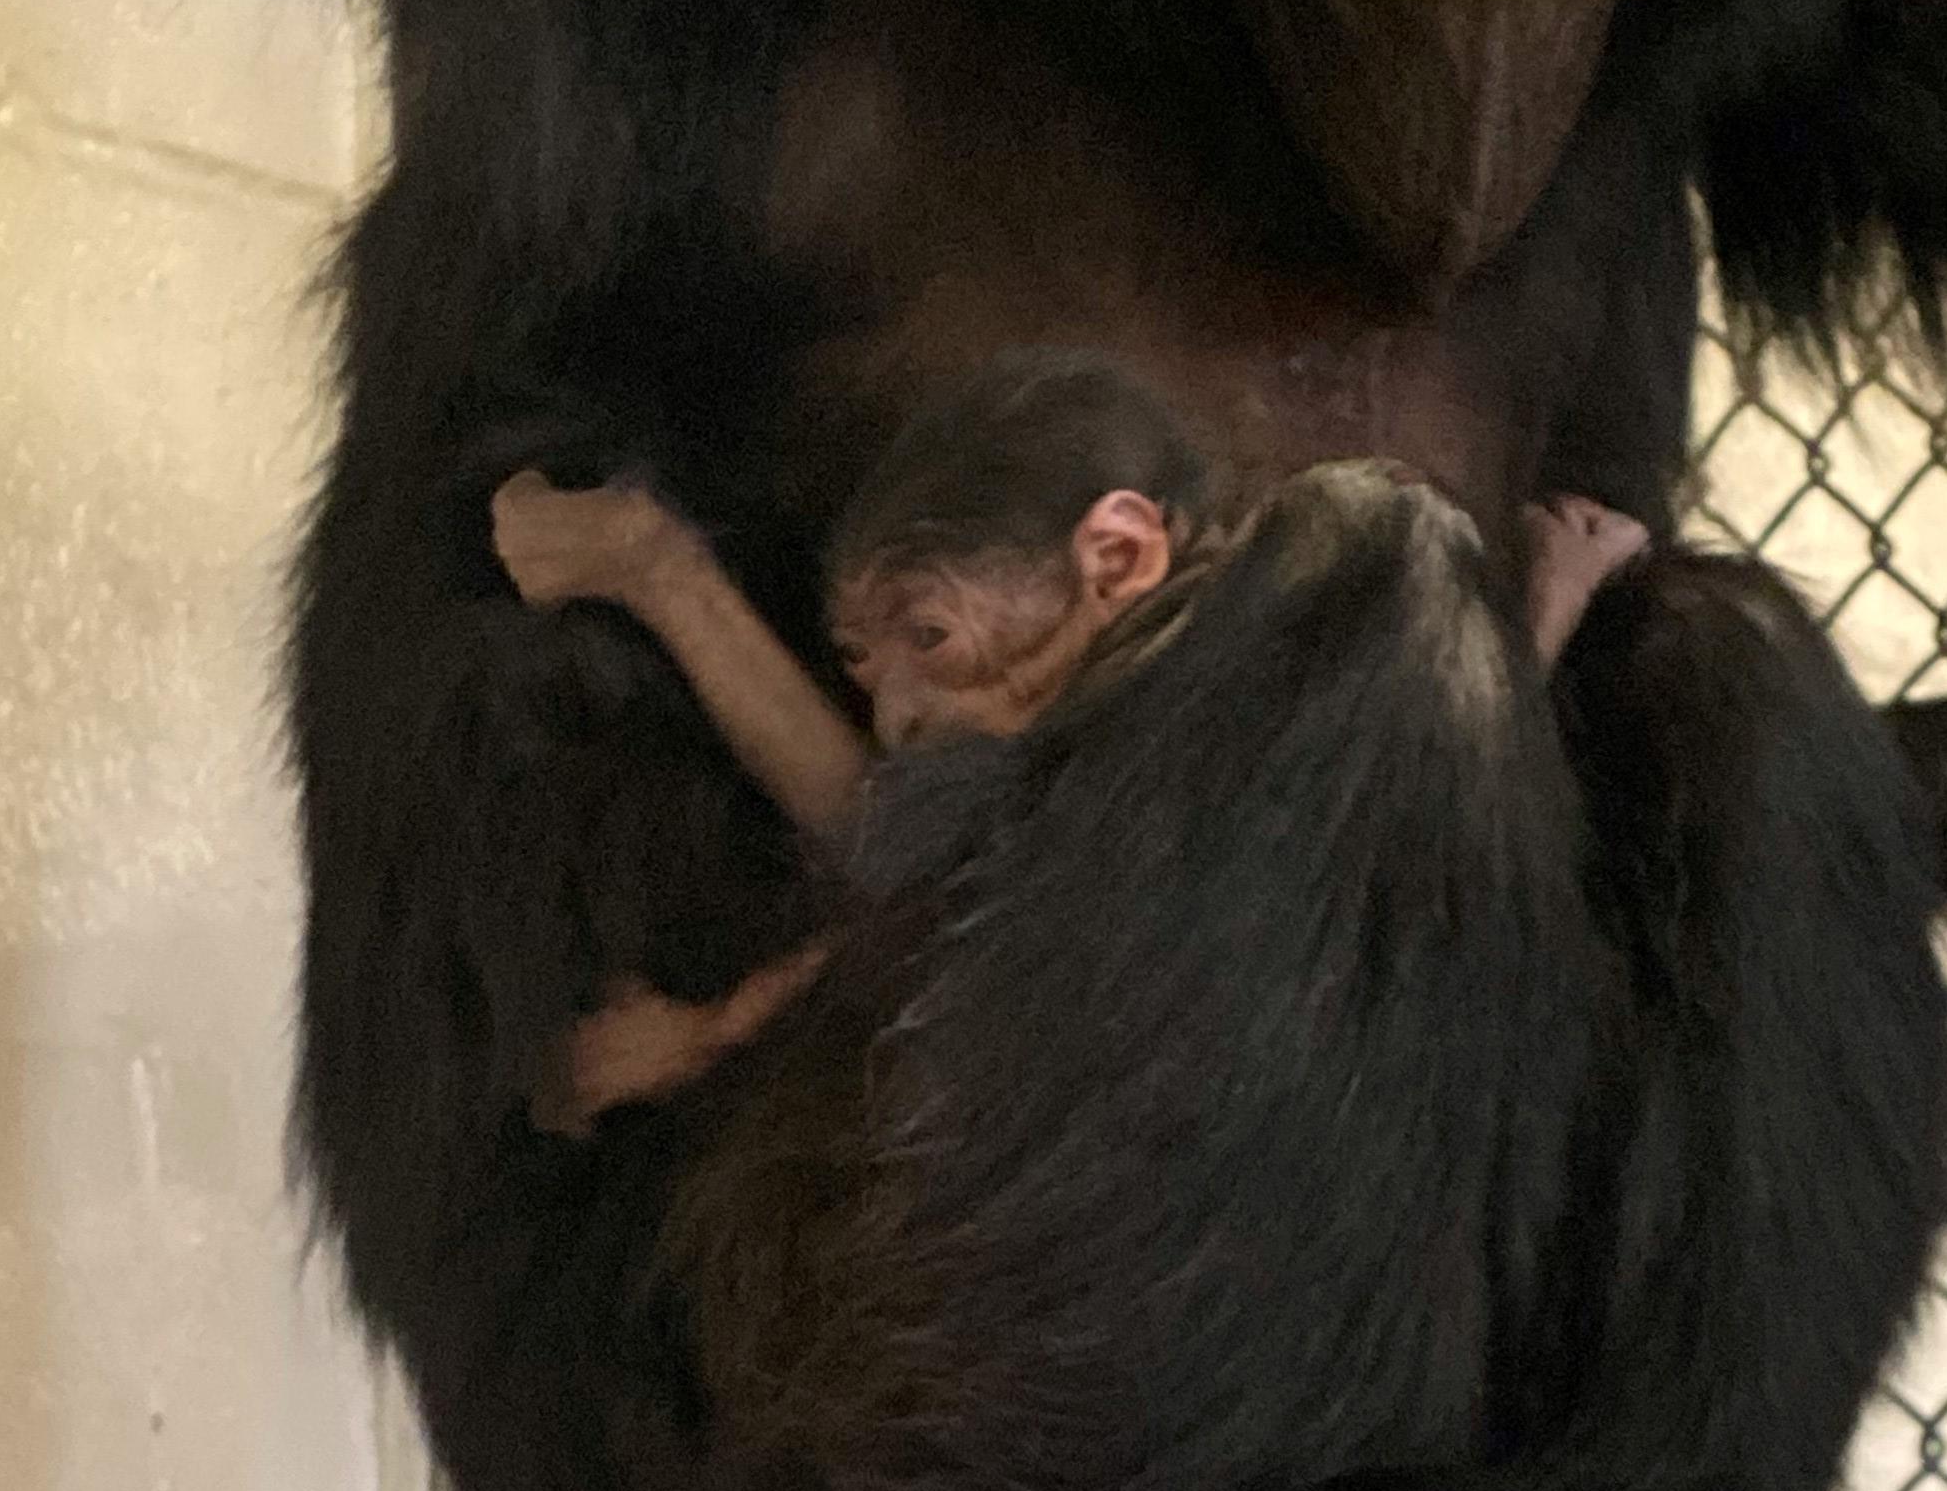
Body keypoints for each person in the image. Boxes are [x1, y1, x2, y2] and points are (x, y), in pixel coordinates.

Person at [492, 352, 1649, 1128]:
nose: (893, 714)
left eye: (930, 636)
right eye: (864, 663)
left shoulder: (1215, 688)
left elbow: (926, 916)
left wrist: (702, 1038)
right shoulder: (1196, 673)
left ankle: (655, 569)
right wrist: (1550, 603)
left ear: (1113, 560)